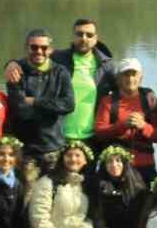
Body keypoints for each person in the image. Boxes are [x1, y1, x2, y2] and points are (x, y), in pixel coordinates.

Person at [4, 28, 75, 163]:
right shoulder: (16, 71)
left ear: (50, 50)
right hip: (23, 149)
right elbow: (20, 108)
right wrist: (53, 106)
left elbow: (68, 105)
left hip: (53, 146)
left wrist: (35, 101)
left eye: (44, 47)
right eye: (34, 47)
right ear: (27, 48)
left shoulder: (61, 72)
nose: (39, 51)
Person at [47, 18, 116, 150]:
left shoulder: (107, 66)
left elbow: (126, 89)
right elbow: (33, 60)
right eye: (79, 34)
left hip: (92, 139)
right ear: (73, 37)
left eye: (89, 35)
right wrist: (13, 63)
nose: (84, 38)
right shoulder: (57, 58)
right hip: (58, 137)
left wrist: (147, 93)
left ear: (96, 38)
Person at [93, 58, 157, 183]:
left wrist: (143, 126)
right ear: (118, 79)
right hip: (116, 165)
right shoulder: (108, 101)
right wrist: (122, 125)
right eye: (126, 75)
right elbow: (99, 133)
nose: (130, 79)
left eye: (134, 74)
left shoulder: (149, 100)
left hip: (144, 163)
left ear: (141, 77)